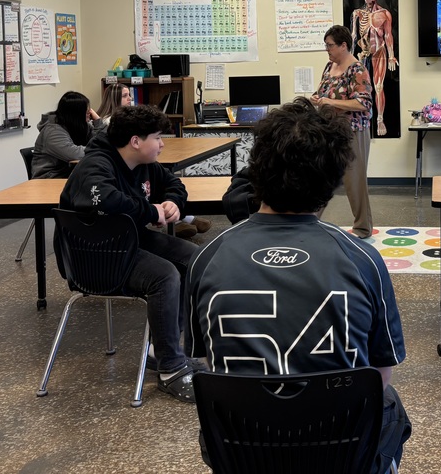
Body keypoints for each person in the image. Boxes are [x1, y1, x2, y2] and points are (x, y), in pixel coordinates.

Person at [185, 98, 411, 473]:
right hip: (339, 451)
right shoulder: (363, 260)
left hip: (244, 449)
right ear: (335, 179)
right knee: (391, 406)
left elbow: (213, 363)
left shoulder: (206, 259)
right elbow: (379, 377)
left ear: (256, 168)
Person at [59, 105, 202, 403]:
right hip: (95, 257)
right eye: (157, 137)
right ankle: (171, 369)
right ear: (135, 141)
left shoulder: (146, 163)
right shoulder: (95, 166)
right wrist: (150, 210)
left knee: (194, 259)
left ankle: (161, 349)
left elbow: (173, 183)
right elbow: (107, 200)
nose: (162, 144)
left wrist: (174, 202)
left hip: (127, 242)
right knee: (165, 276)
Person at [310, 25, 374, 238]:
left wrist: (329, 101)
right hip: (328, 130)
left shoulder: (357, 69)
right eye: (326, 46)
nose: (327, 50)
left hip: (353, 132)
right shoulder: (329, 66)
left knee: (353, 180)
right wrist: (317, 98)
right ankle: (309, 222)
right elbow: (322, 92)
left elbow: (364, 104)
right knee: (320, 176)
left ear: (344, 46)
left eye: (330, 46)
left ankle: (362, 228)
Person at [351, 0, 398, 136]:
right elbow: (353, 37)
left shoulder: (384, 14)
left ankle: (379, 119)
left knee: (378, 87)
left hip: (379, 52)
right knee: (362, 89)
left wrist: (391, 56)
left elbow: (388, 35)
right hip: (363, 53)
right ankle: (364, 120)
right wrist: (350, 61)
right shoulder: (357, 13)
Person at [31, 91, 100, 179]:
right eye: (86, 111)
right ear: (75, 114)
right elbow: (75, 153)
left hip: (70, 176)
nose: (89, 114)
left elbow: (101, 140)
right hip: (50, 180)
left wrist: (98, 122)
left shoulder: (77, 126)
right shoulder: (53, 131)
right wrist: (101, 148)